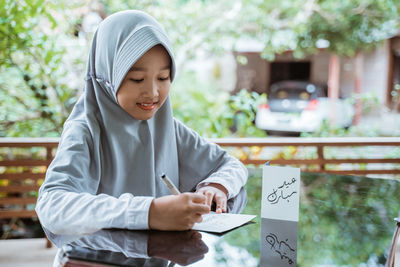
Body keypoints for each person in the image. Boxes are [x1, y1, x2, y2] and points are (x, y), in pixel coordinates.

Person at [35, 10, 247, 235]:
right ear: (107, 77)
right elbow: (52, 205)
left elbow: (231, 165)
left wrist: (216, 186)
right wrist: (149, 212)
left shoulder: (166, 127)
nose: (153, 92)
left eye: (163, 78)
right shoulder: (85, 130)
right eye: (137, 79)